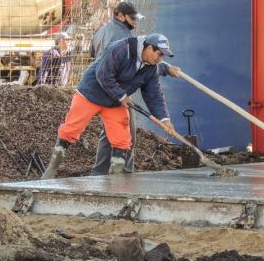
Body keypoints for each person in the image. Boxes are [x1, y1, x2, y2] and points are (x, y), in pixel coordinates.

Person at [41, 33, 177, 179]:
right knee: (71, 129)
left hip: (114, 102)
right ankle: (51, 169)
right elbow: (103, 74)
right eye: (159, 54)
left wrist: (164, 119)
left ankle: (116, 179)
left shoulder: (151, 67)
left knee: (122, 139)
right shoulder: (121, 48)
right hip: (91, 93)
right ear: (149, 47)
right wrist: (122, 96)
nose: (160, 59)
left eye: (163, 56)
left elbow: (154, 95)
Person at [89, 1, 180, 174]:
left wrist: (164, 68)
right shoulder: (122, 37)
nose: (135, 23)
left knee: (110, 133)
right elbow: (131, 64)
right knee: (126, 132)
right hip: (115, 90)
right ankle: (124, 173)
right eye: (132, 19)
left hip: (103, 87)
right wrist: (165, 69)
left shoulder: (100, 32)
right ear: (119, 16)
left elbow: (93, 54)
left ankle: (100, 173)